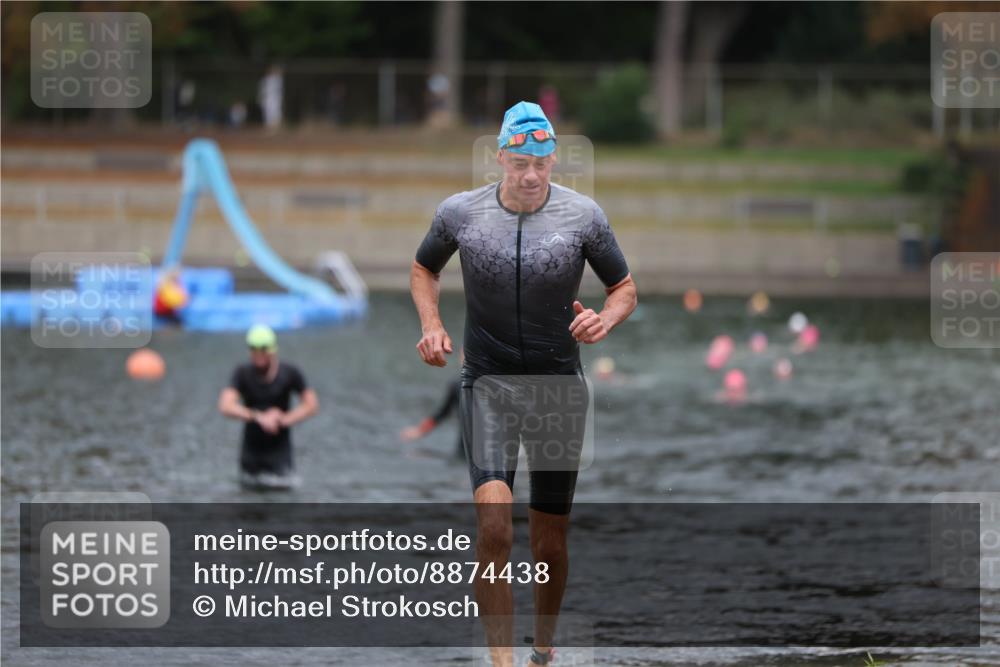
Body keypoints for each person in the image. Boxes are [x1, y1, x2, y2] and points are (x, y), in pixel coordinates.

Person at [410, 101, 637, 667]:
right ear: (500, 159)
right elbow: (423, 269)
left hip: (559, 389)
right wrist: (432, 325)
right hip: (488, 383)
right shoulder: (461, 214)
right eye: (520, 163)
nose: (531, 175)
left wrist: (603, 320)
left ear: (554, 157)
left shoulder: (583, 217)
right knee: (493, 529)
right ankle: (501, 662)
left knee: (549, 545)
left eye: (541, 162)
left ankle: (542, 649)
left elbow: (625, 288)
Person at [217, 325, 318, 489]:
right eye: (253, 348)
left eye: (263, 349)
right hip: (251, 451)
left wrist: (284, 419)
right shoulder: (242, 373)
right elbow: (225, 406)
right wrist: (258, 417)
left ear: (273, 350)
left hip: (280, 451)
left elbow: (311, 405)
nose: (258, 354)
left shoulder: (290, 373)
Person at [399, 376, 463, 459]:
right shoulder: (458, 385)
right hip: (465, 453)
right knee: (413, 454)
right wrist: (420, 430)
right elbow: (443, 413)